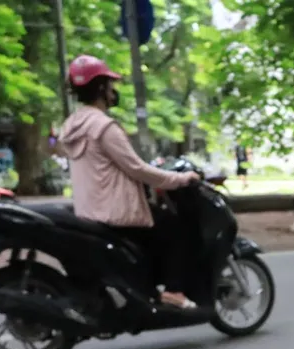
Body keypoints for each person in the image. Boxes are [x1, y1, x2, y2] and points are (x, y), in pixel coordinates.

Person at [58, 55, 200, 308]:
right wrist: (180, 179)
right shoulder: (103, 127)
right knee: (174, 229)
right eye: (111, 85)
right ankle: (174, 290)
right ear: (101, 88)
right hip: (115, 212)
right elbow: (136, 168)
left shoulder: (72, 126)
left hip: (88, 211)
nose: (114, 91)